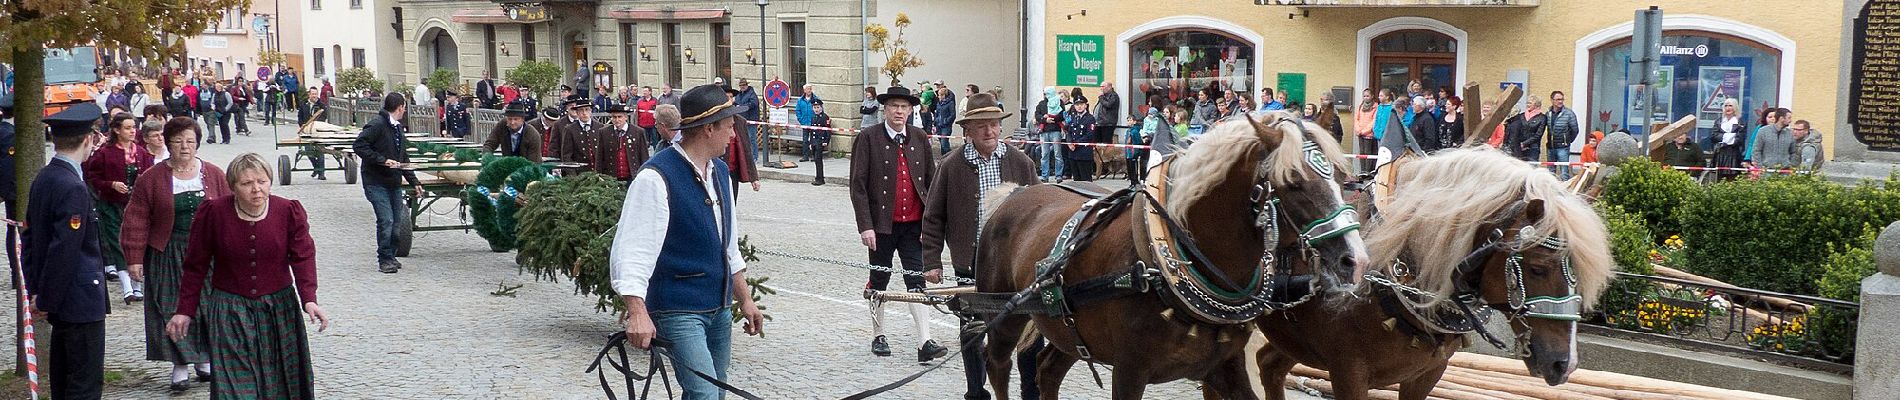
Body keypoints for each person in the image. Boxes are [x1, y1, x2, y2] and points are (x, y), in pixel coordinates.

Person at [608, 84, 766, 400]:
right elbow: (631, 249)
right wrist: (637, 310)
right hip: (678, 307)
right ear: (709, 128)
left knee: (714, 393)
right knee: (704, 394)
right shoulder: (656, 177)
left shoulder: (720, 171)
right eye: (729, 127)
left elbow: (728, 245)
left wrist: (745, 299)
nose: (733, 136)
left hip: (718, 307)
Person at [167, 153, 327, 399]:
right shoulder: (214, 213)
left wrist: (309, 298)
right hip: (229, 308)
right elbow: (195, 265)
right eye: (247, 183)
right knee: (235, 384)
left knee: (281, 380)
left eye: (262, 181)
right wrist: (184, 310)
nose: (256, 189)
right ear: (233, 186)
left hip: (278, 308)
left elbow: (303, 256)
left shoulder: (287, 211)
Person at [919, 93, 1043, 400]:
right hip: (971, 260)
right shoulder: (951, 166)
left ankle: (1031, 391)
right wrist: (931, 261)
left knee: (1028, 331)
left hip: (1015, 263)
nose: (989, 131)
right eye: (981, 125)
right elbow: (933, 217)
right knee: (973, 330)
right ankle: (976, 391)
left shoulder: (1021, 163)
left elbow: (1042, 211)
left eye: (994, 124)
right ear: (968, 131)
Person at [121, 117, 226, 391]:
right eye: (178, 141)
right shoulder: (152, 179)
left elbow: (230, 210)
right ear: (167, 143)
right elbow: (136, 218)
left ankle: (204, 360)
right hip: (168, 252)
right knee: (172, 307)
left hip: (207, 255)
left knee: (206, 306)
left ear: (198, 144)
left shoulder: (213, 174)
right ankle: (180, 364)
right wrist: (133, 257)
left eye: (190, 141)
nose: (184, 147)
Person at [849, 86, 947, 363]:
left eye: (904, 107)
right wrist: (865, 226)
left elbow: (932, 183)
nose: (899, 112)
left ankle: (924, 341)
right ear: (885, 109)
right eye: (894, 106)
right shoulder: (868, 138)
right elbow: (857, 186)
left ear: (911, 110)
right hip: (881, 225)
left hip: (914, 225)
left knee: (917, 279)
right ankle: (878, 335)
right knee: (880, 278)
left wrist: (931, 224)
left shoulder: (918, 137)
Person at [25, 104, 111, 400]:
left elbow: (31, 241)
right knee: (83, 385)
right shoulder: (71, 185)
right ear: (88, 139)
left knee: (63, 384)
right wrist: (46, 298)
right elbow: (64, 249)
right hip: (78, 301)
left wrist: (37, 292)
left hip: (61, 301)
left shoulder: (45, 177)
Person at [83, 113, 155, 304]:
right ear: (116, 130)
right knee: (117, 243)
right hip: (112, 205)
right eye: (128, 128)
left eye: (134, 128)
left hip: (137, 207)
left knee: (137, 242)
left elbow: (150, 176)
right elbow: (93, 177)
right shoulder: (105, 153)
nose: (133, 131)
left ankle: (137, 285)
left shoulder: (141, 152)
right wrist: (111, 184)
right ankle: (127, 287)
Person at [353, 93, 426, 274]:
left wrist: (414, 181)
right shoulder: (377, 124)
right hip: (375, 182)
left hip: (393, 182)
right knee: (386, 220)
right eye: (404, 108)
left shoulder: (398, 128)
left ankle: (391, 255)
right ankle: (384, 259)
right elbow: (359, 146)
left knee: (396, 223)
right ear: (400, 107)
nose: (404, 111)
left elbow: (403, 158)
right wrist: (382, 160)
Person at [717, 85, 762, 197]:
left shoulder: (740, 121)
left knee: (732, 205)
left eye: (731, 97)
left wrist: (754, 178)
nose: (729, 100)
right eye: (726, 97)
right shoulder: (713, 121)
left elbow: (747, 149)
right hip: (716, 171)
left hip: (733, 171)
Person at [594, 100, 650, 181]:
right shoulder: (604, 132)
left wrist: (644, 175)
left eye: (619, 117)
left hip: (632, 176)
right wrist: (599, 175)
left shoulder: (638, 132)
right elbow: (599, 156)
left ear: (626, 117)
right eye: (614, 117)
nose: (617, 120)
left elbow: (644, 156)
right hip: (611, 177)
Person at [558, 95, 601, 169]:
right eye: (581, 110)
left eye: (587, 109)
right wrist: (573, 176)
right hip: (580, 172)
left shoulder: (600, 127)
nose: (584, 113)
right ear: (577, 113)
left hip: (598, 172)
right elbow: (567, 156)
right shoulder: (570, 129)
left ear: (591, 111)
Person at [1544, 91, 1579, 179]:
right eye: (1558, 99)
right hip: (1550, 147)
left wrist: (1567, 141)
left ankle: (1564, 190)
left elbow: (1575, 130)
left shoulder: (1569, 114)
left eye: (1562, 99)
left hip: (1563, 147)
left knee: (1564, 172)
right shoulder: (1548, 113)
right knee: (1550, 172)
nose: (1560, 101)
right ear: (1552, 100)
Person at [1033, 87, 1066, 182]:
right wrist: (1045, 119)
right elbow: (1037, 115)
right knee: (1044, 154)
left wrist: (1053, 118)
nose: (1045, 95)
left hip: (1055, 130)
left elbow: (1062, 114)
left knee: (1057, 154)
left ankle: (1058, 175)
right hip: (1044, 132)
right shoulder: (1041, 104)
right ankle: (1045, 175)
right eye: (1044, 93)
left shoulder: (1059, 102)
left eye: (1047, 93)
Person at [1711, 99, 1747, 181]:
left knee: (1733, 180)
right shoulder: (1718, 121)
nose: (1728, 108)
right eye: (1726, 105)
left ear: (1735, 108)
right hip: (1720, 155)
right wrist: (1731, 136)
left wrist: (1723, 137)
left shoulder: (1741, 122)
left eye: (1730, 105)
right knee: (1719, 181)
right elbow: (1713, 137)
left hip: (1734, 155)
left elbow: (1739, 139)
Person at [1063, 99, 1096, 182]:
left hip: (1083, 153)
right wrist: (1069, 143)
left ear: (1085, 105)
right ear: (1074, 106)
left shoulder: (1090, 118)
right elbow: (1069, 132)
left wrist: (1076, 144)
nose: (1079, 106)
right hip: (1073, 153)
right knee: (1076, 180)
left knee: (1086, 180)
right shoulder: (1073, 117)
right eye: (1077, 105)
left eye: (1081, 104)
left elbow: (1089, 135)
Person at [808, 100, 833, 186]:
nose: (816, 109)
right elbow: (812, 131)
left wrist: (826, 141)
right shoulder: (813, 117)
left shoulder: (824, 117)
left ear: (821, 108)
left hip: (820, 141)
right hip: (814, 141)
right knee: (816, 160)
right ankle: (817, 177)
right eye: (814, 108)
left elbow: (828, 130)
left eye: (818, 107)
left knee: (818, 160)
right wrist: (811, 142)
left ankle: (820, 178)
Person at [796, 84, 819, 161]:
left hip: (813, 123)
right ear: (804, 90)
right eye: (807, 89)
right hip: (805, 123)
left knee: (814, 140)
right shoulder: (800, 100)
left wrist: (817, 119)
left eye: (810, 89)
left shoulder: (815, 99)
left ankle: (814, 155)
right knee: (805, 140)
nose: (809, 90)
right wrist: (801, 120)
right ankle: (805, 156)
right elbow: (798, 111)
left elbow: (819, 110)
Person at [934, 86, 957, 155]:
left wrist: (946, 121)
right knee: (941, 143)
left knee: (944, 143)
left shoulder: (950, 103)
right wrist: (936, 121)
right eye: (938, 95)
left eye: (940, 95)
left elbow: (953, 115)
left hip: (946, 126)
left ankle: (949, 156)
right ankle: (943, 157)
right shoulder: (939, 104)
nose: (939, 97)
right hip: (939, 125)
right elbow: (937, 113)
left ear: (944, 95)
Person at [636, 87, 661, 151]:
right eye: (643, 91)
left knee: (655, 140)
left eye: (646, 91)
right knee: (644, 141)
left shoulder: (655, 101)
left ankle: (656, 153)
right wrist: (637, 123)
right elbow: (637, 113)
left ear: (650, 92)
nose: (644, 92)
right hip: (642, 124)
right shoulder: (639, 101)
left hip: (653, 124)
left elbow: (658, 112)